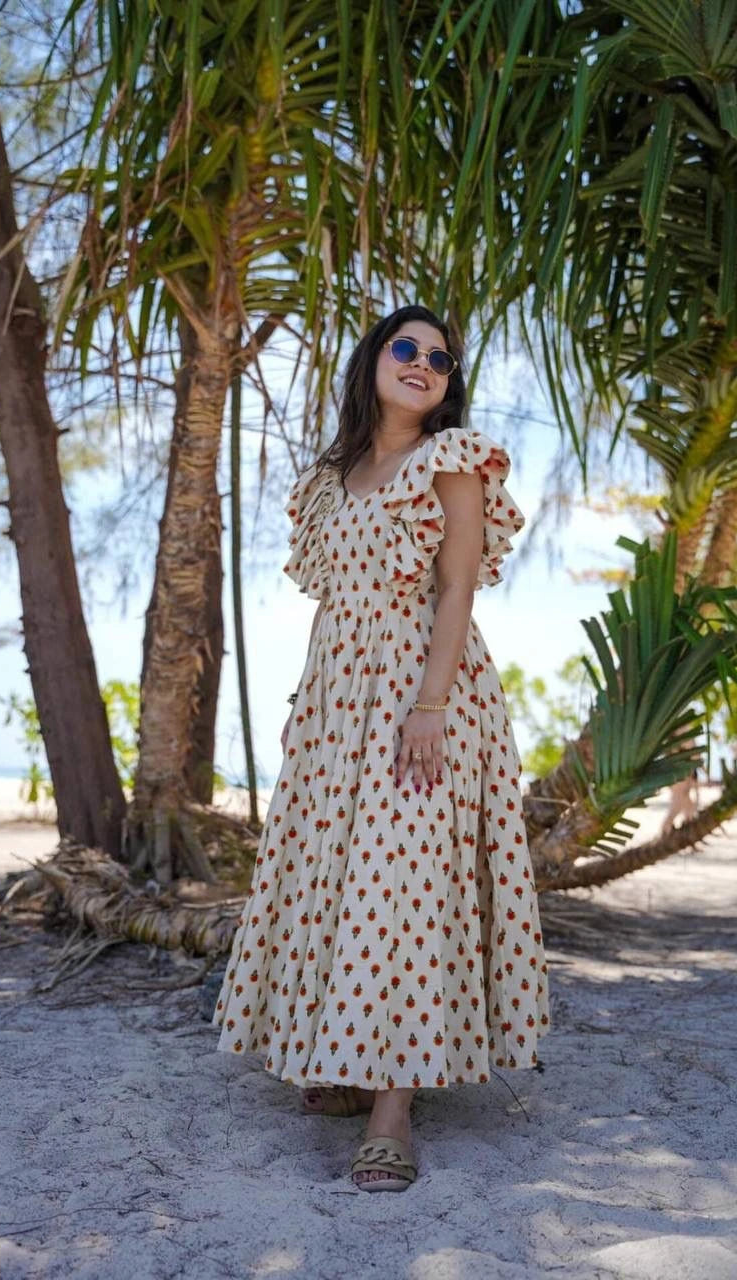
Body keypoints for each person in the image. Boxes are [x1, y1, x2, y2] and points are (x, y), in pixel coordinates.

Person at [212, 305, 549, 1192]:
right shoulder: (333, 477)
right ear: (372, 363)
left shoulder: (454, 463)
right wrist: (304, 701)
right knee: (333, 873)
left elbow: (458, 592)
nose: (423, 364)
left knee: (404, 886)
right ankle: (348, 1057)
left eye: (439, 359)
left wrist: (430, 705)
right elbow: (335, 604)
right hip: (338, 701)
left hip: (425, 695)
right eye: (406, 348)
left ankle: (394, 1108)